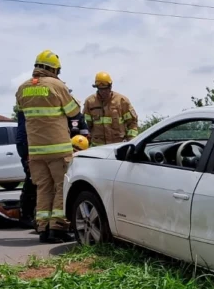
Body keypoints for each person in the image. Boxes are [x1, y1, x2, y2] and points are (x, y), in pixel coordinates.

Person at [14, 50, 86, 244]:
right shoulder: (56, 85)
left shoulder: (22, 89)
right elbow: (74, 112)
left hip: (36, 150)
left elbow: (22, 113)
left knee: (43, 188)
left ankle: (43, 228)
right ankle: (57, 228)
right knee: (61, 187)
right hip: (58, 148)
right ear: (53, 69)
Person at [82, 71, 139, 146]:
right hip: (97, 148)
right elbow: (85, 125)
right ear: (97, 88)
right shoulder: (89, 102)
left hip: (118, 146)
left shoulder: (122, 101)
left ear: (110, 87)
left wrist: (131, 141)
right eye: (100, 89)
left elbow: (132, 122)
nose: (103, 91)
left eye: (105, 89)